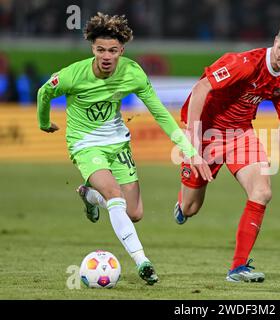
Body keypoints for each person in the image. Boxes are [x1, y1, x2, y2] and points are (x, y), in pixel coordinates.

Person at [37, 13, 211, 286]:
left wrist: (188, 149)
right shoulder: (73, 75)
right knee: (114, 194)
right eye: (101, 50)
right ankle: (143, 261)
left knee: (134, 213)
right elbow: (43, 92)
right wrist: (44, 122)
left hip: (118, 143)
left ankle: (90, 196)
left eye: (113, 51)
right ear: (93, 48)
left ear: (122, 51)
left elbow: (160, 113)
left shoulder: (133, 73)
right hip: (85, 144)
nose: (107, 56)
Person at [174, 19, 280, 282]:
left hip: (240, 135)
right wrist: (191, 145)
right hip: (207, 133)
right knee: (191, 209)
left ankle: (238, 268)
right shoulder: (244, 63)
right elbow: (201, 88)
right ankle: (181, 205)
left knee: (262, 192)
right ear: (275, 40)